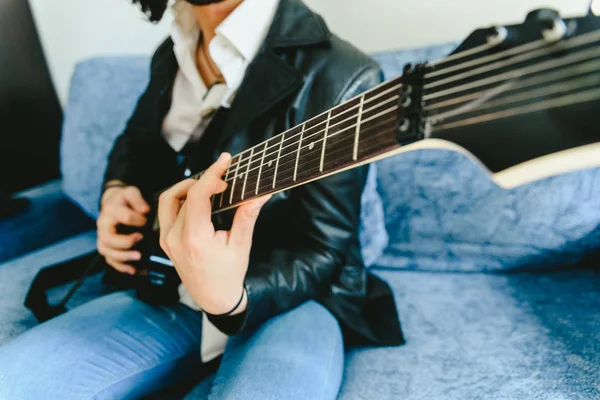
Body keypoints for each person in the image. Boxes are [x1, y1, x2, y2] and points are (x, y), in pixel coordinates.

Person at [0, 0, 404, 398]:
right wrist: (116, 192)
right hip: (168, 287)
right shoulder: (172, 50)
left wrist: (231, 299)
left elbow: (322, 249)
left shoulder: (343, 73)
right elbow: (135, 144)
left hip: (295, 300)